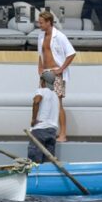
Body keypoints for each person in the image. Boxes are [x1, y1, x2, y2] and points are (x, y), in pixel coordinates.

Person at [36, 11, 76, 142]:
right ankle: (46, 132)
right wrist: (40, 68)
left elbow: (71, 53)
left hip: (56, 73)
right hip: (45, 73)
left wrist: (61, 69)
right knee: (43, 102)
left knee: (57, 104)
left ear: (49, 22)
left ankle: (63, 133)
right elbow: (41, 54)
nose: (39, 25)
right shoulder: (41, 36)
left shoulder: (60, 36)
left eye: (41, 22)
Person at [27, 69, 61, 163]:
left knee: (35, 161)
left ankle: (34, 176)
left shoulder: (41, 91)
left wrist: (33, 119)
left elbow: (36, 101)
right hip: (52, 131)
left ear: (42, 81)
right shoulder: (56, 96)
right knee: (48, 161)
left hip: (40, 129)